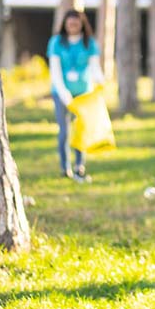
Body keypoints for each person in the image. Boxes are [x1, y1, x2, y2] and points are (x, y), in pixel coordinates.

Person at [47, 9, 105, 182]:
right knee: (64, 131)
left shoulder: (89, 43)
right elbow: (55, 72)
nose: (72, 26)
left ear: (81, 25)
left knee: (80, 130)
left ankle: (80, 165)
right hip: (61, 93)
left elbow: (94, 67)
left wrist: (100, 82)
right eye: (70, 23)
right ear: (65, 25)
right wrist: (65, 95)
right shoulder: (56, 42)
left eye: (76, 23)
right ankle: (65, 167)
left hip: (83, 92)